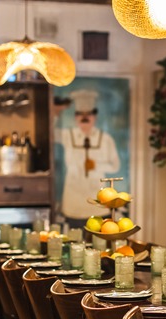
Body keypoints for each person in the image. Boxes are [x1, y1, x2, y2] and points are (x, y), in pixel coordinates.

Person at [56, 89, 120, 227]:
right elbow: (50, 133)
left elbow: (115, 166)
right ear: (75, 117)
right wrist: (57, 111)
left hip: (97, 198)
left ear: (95, 116)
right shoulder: (68, 136)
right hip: (73, 199)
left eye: (88, 114)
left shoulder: (105, 139)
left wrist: (96, 165)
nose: (84, 118)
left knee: (99, 239)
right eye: (80, 114)